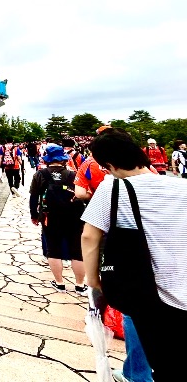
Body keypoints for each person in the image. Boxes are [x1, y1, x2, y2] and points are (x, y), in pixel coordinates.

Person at [81, 131, 187, 381]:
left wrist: (94, 280)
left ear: (108, 165)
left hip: (153, 292)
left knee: (167, 363)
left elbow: (89, 236)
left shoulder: (112, 187)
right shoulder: (181, 186)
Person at [29, 145, 87, 293]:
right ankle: (80, 285)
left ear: (47, 158)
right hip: (74, 216)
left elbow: (33, 197)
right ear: (63, 159)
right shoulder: (73, 174)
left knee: (53, 249)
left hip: (50, 217)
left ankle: (59, 283)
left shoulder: (40, 175)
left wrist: (34, 216)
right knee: (77, 250)